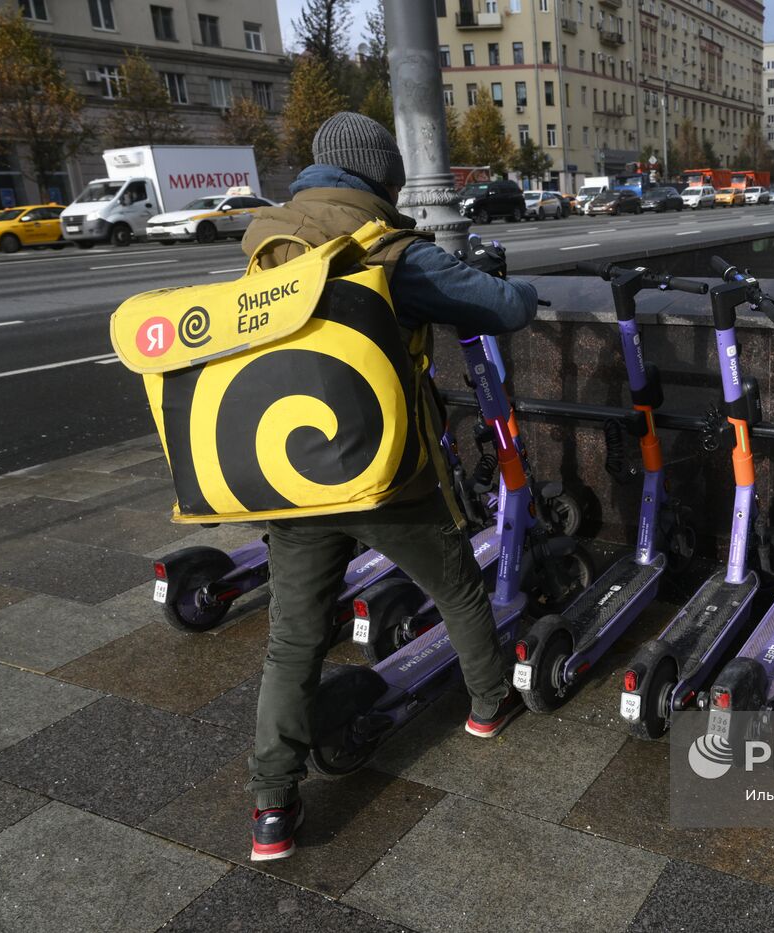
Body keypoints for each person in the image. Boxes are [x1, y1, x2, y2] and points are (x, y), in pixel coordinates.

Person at [239, 112, 538, 863]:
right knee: (459, 589)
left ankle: (271, 807)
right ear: (383, 177)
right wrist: (511, 283)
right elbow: (504, 310)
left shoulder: (266, 243)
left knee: (293, 639)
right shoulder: (389, 250)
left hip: (290, 473)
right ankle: (488, 705)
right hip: (383, 473)